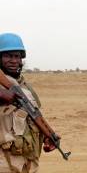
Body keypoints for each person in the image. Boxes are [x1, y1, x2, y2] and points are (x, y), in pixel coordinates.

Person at [0, 33, 55, 173]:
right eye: (8, 56)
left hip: (27, 160)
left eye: (17, 56)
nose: (13, 60)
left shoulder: (24, 86)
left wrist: (48, 135)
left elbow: (34, 116)